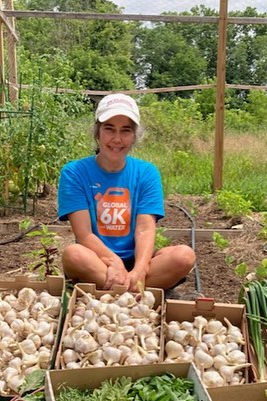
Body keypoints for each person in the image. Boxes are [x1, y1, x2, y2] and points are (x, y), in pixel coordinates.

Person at [57, 93, 196, 292]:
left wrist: (139, 270)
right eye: (109, 129)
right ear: (97, 133)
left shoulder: (146, 173)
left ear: (134, 136)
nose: (117, 139)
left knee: (184, 256)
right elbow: (84, 234)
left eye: (125, 131)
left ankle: (118, 289)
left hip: (140, 262)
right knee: (74, 255)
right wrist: (114, 262)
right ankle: (139, 291)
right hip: (98, 261)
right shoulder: (74, 172)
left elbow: (145, 229)